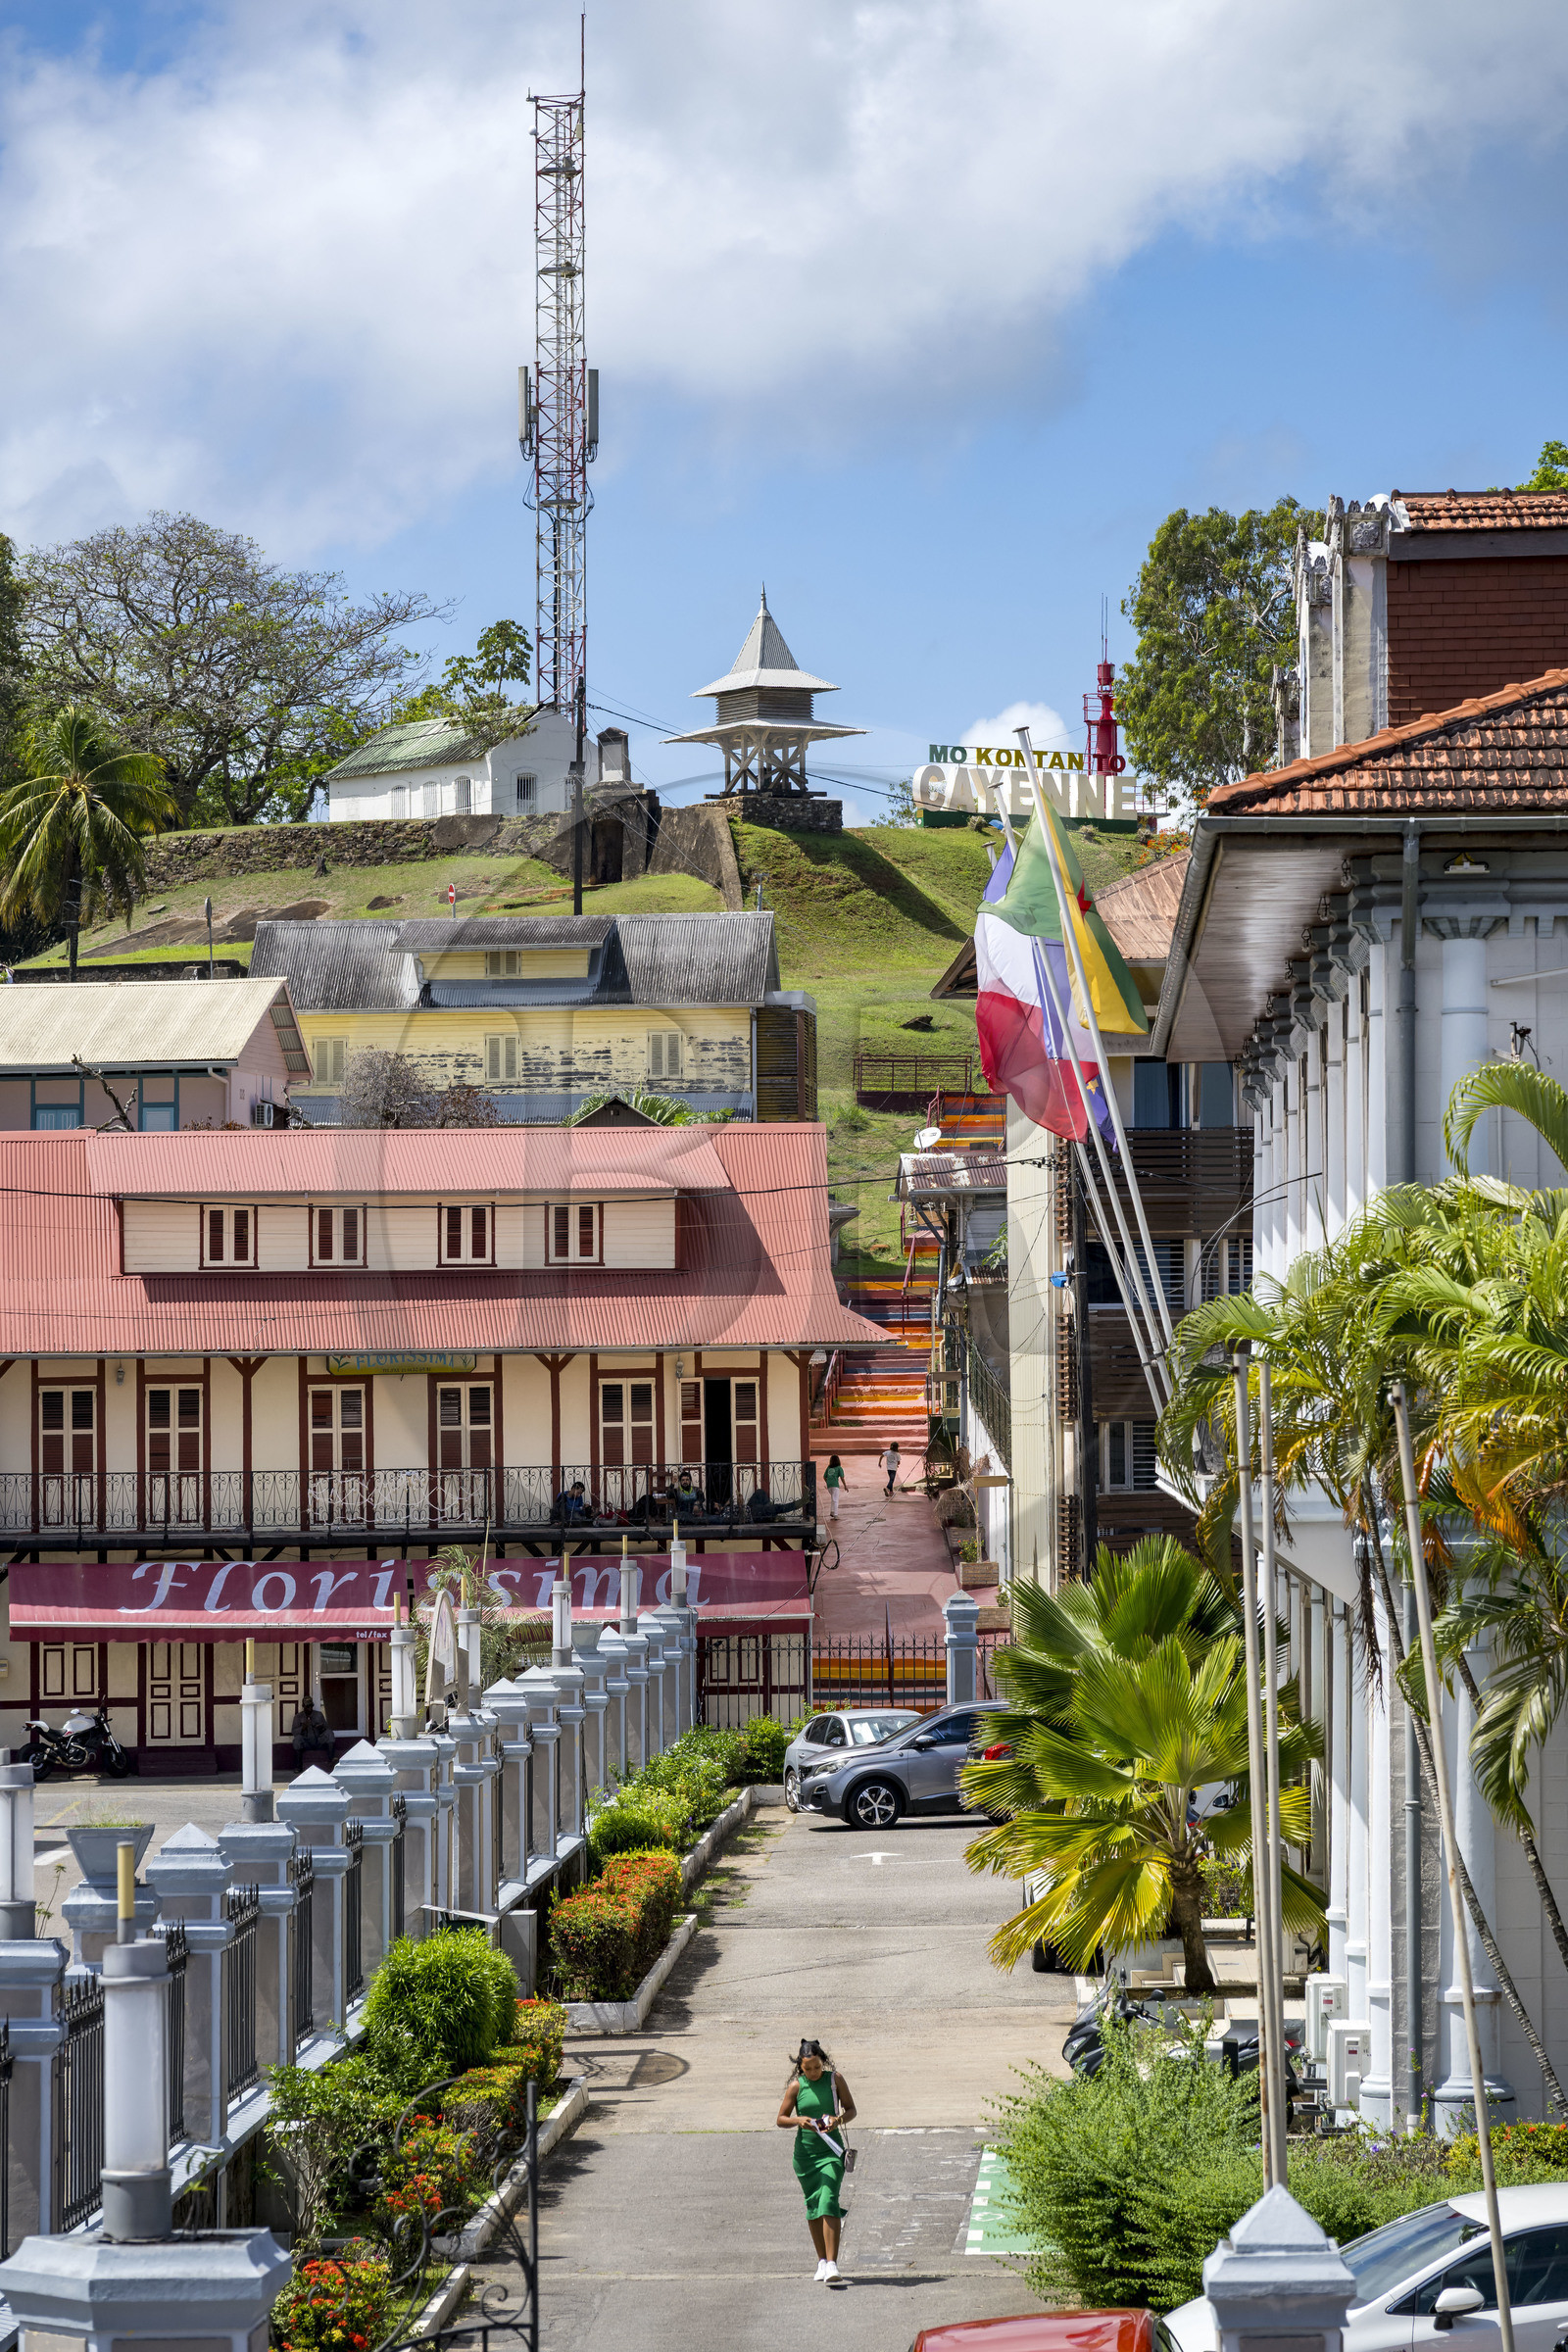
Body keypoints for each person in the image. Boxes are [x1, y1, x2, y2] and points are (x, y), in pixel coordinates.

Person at [778, 2037, 856, 2283]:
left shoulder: (835, 2080)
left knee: (828, 2200)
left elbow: (852, 2109)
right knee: (813, 2205)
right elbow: (781, 2118)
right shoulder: (796, 2087)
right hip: (805, 2157)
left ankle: (832, 2264)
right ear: (800, 2066)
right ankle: (821, 2262)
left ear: (823, 2061)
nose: (812, 2072)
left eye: (817, 2067)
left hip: (831, 2153)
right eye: (807, 2068)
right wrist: (797, 2121)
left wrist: (837, 2120)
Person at [291, 1696, 335, 1768]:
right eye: (307, 1706)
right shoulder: (298, 1717)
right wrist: (303, 1727)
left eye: (311, 1706)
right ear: (303, 1706)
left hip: (318, 1740)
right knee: (297, 1739)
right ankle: (298, 1765)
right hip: (306, 1743)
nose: (310, 1708)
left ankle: (331, 1760)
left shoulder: (319, 1714)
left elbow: (327, 1728)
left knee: (329, 1733)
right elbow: (294, 1732)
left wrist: (321, 1727)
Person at [823, 1453, 848, 1520]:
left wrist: (828, 1482)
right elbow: (842, 1477)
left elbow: (824, 1477)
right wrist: (845, 1486)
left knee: (833, 1498)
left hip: (829, 1486)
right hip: (835, 1485)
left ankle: (832, 1511)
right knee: (835, 1500)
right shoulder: (839, 1468)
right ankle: (836, 1514)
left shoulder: (828, 1468)